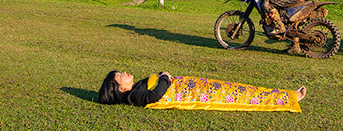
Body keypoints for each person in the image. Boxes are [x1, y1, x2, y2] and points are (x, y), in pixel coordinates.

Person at [98, 70, 306, 112]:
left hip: (197, 85)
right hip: (197, 94)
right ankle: (289, 97)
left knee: (239, 89)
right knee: (241, 95)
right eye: (119, 75)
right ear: (119, 88)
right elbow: (155, 96)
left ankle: (285, 95)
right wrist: (164, 78)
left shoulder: (135, 89)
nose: (124, 73)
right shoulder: (134, 96)